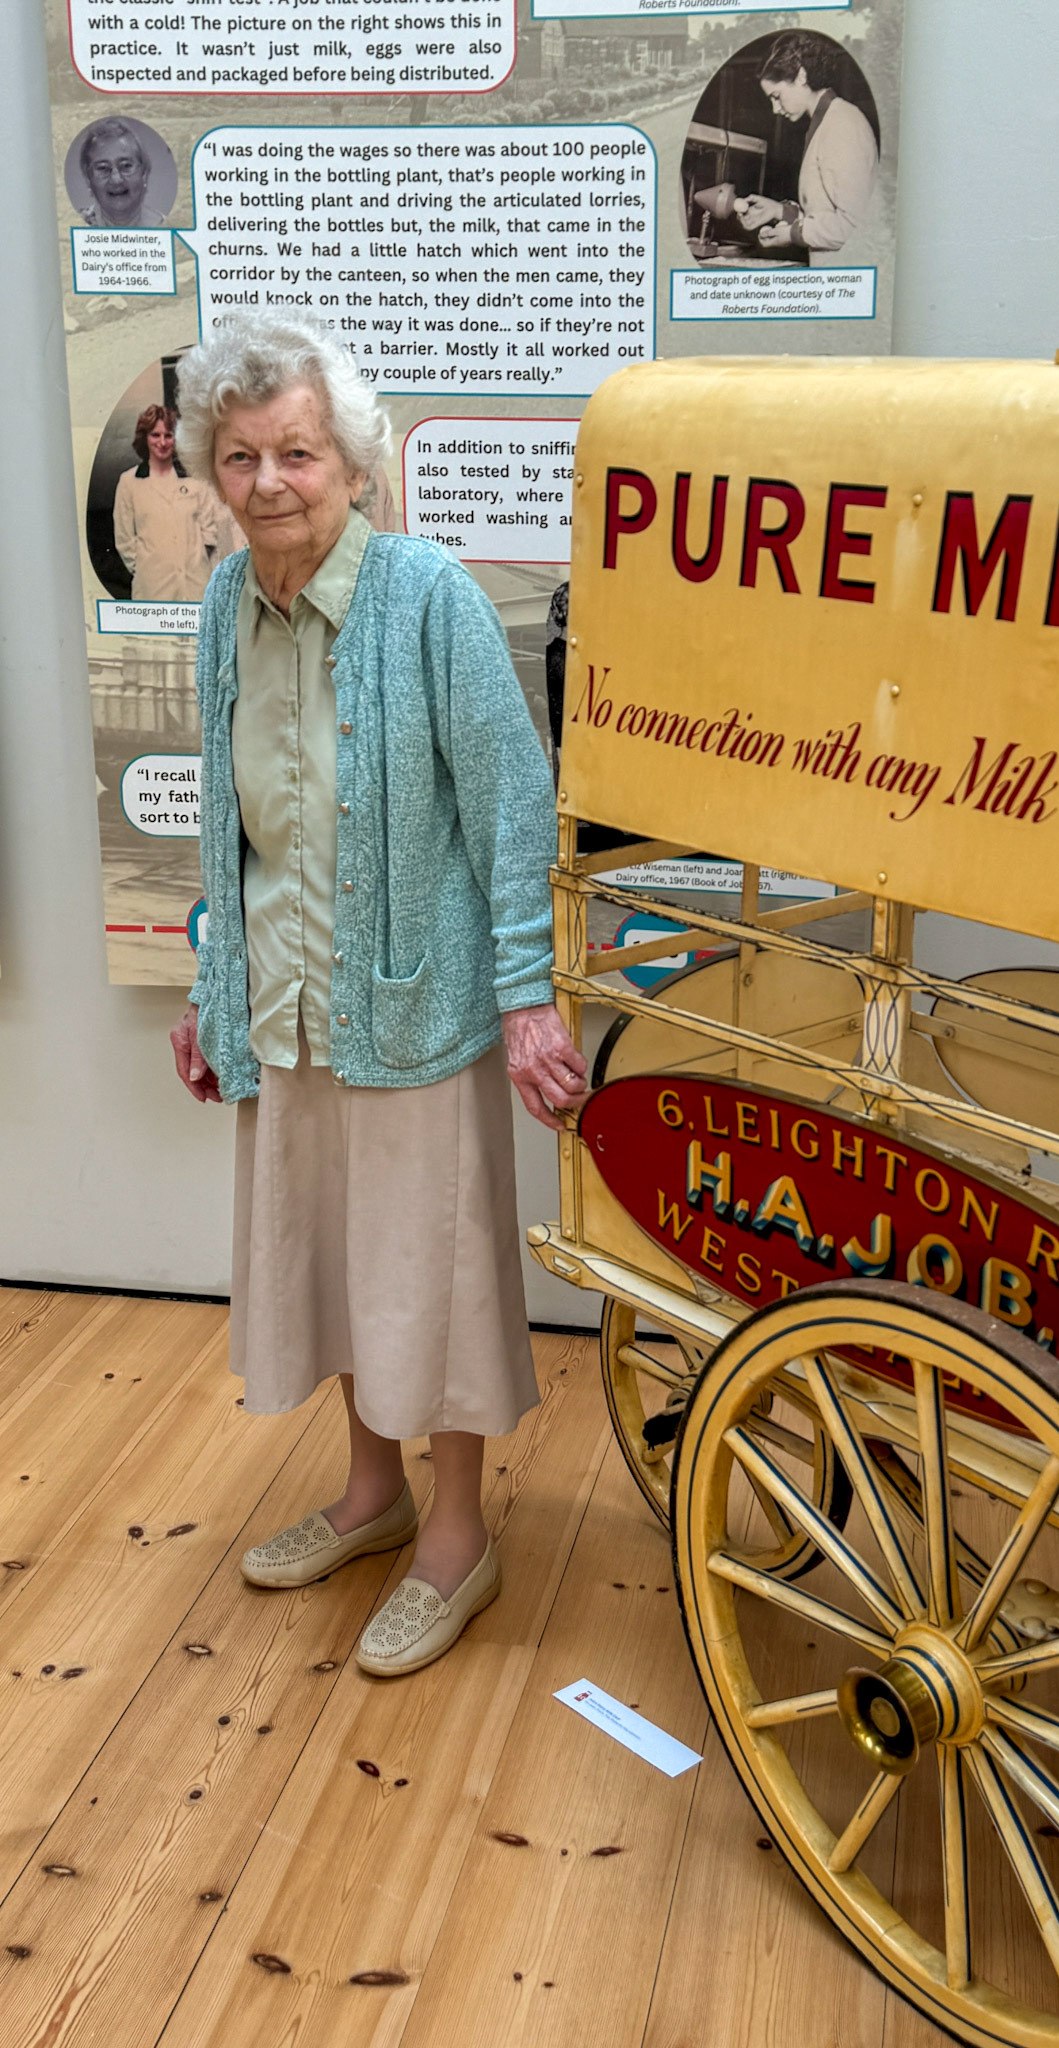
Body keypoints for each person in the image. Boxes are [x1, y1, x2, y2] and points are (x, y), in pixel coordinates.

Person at [168, 310, 587, 1678]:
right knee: (335, 1265)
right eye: (241, 458)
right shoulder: (228, 606)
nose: (270, 482)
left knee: (433, 1282)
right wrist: (207, 981)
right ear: (212, 474)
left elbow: (512, 803)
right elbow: (230, 830)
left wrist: (528, 998)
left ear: (352, 463)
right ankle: (370, 1492)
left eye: (297, 452)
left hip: (412, 1006)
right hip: (287, 1004)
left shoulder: (429, 597)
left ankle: (456, 1540)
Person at [733, 32, 879, 264]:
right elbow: (826, 214)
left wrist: (792, 234)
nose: (775, 109)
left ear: (801, 76)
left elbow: (854, 225)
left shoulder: (842, 124)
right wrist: (779, 212)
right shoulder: (825, 123)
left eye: (777, 96)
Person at [113, 404, 226, 601]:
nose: (162, 442)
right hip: (153, 587)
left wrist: (193, 559)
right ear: (145, 439)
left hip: (195, 583)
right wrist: (147, 568)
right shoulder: (129, 482)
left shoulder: (195, 480)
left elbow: (209, 532)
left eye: (169, 435)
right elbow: (124, 539)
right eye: (155, 435)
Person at [77, 119, 166, 229]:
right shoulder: (74, 225)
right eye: (103, 168)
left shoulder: (166, 228)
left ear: (144, 173)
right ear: (88, 178)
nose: (116, 179)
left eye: (126, 166)